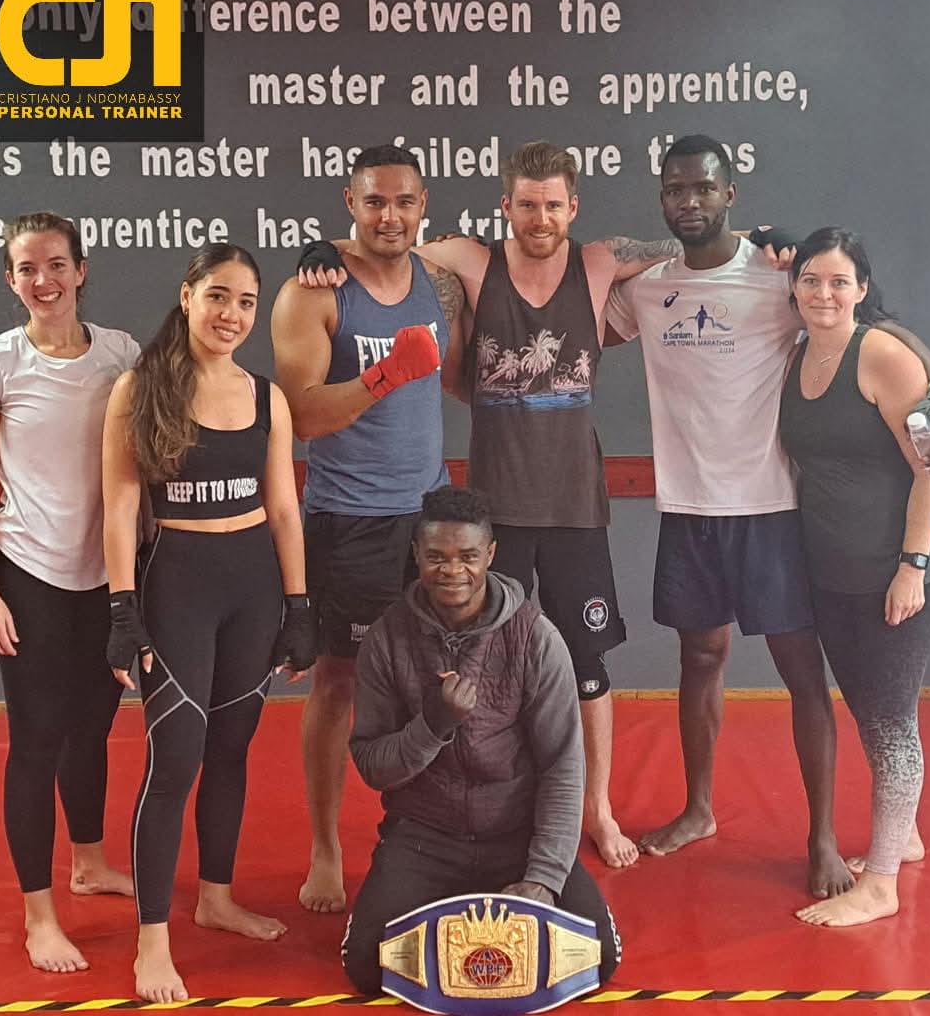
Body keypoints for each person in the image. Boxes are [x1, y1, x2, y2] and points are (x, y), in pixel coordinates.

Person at [299, 141, 680, 870]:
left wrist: (759, 245)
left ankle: (594, 809)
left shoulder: (599, 262)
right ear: (505, 205)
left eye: (554, 204)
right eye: (527, 203)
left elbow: (685, 243)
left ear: (574, 206)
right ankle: (469, 805)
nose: (541, 217)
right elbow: (389, 241)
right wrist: (324, 250)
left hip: (575, 505)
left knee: (589, 666)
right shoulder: (469, 262)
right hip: (492, 510)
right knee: (481, 662)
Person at [607, 134, 930, 898]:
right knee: (698, 661)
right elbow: (579, 316)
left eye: (703, 188)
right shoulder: (647, 287)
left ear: (732, 194)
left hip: (771, 511)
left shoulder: (782, 281)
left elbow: (884, 340)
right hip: (689, 509)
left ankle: (824, 839)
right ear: (661, 199)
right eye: (675, 190)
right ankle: (699, 810)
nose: (689, 201)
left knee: (804, 678)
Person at [102, 242, 317, 1002]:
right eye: (219, 296)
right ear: (188, 295)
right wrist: (122, 610)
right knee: (177, 760)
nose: (232, 314)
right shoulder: (140, 388)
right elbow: (123, 506)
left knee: (231, 751)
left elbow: (286, 508)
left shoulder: (268, 397)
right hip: (178, 588)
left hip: (253, 586)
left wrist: (298, 606)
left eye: (247, 302)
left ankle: (216, 896)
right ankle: (152, 941)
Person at [270, 145, 466, 914]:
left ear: (425, 205)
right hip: (349, 519)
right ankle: (326, 846)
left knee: (438, 682)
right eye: (375, 202)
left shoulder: (438, 277)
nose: (391, 217)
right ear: (349, 201)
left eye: (405, 202)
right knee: (339, 681)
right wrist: (385, 373)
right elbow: (303, 415)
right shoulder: (311, 292)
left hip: (432, 515)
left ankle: (434, 833)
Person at [342, 485, 621, 994]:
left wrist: (542, 876)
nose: (453, 571)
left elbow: (563, 765)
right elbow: (371, 765)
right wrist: (433, 727)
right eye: (437, 557)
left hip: (516, 834)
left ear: (490, 555)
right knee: (365, 965)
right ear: (416, 556)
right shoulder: (386, 638)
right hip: (425, 839)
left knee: (597, 958)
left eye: (468, 556)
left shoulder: (536, 637)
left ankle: (512, 888)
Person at [0, 211, 138, 973]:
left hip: (104, 577)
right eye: (28, 269)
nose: (44, 281)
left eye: (56, 265)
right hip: (26, 575)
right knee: (36, 742)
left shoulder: (121, 354)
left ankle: (88, 861)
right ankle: (39, 916)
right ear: (11, 280)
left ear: (81, 270)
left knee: (92, 731)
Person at [779, 228, 930, 926]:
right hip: (832, 573)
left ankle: (881, 885)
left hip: (893, 576)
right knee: (870, 712)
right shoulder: (797, 354)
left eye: (838, 282)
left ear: (862, 290)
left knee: (889, 724)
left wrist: (911, 566)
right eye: (812, 279)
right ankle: (900, 836)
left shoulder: (883, 355)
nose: (823, 293)